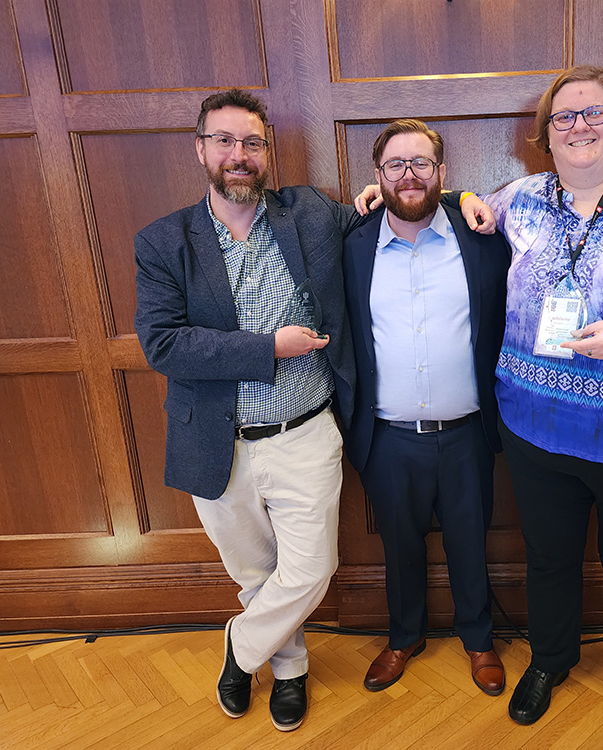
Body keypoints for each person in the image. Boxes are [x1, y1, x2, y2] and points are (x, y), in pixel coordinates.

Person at [358, 65, 603, 745]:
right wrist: (385, 189)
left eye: (594, 111)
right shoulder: (522, 199)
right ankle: (549, 661)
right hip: (538, 433)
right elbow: (446, 204)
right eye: (564, 117)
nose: (580, 126)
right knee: (549, 559)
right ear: (544, 135)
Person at [134, 88, 366, 733]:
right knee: (255, 573)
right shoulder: (163, 242)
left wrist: (460, 201)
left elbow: (390, 213)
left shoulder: (311, 214)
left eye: (253, 143)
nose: (240, 155)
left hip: (306, 433)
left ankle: (240, 650)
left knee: (312, 569)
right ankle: (288, 671)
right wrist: (268, 347)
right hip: (216, 440)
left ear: (268, 152)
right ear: (201, 149)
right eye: (226, 141)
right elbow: (164, 344)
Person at [342, 120, 510, 695]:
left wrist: (467, 199)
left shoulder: (482, 236)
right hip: (387, 437)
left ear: (442, 173)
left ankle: (480, 639)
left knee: (470, 538)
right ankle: (403, 635)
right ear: (378, 176)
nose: (408, 174)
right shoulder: (353, 245)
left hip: (468, 430)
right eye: (395, 165)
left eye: (421, 163)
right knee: (399, 544)